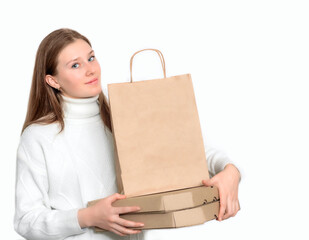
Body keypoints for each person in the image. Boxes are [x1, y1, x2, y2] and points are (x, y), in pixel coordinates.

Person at [14, 28, 241, 240]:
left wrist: (231, 171)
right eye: (75, 65)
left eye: (91, 58)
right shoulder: (38, 136)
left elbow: (187, 151)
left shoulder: (123, 111)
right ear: (53, 80)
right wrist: (87, 217)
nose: (91, 69)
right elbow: (25, 220)